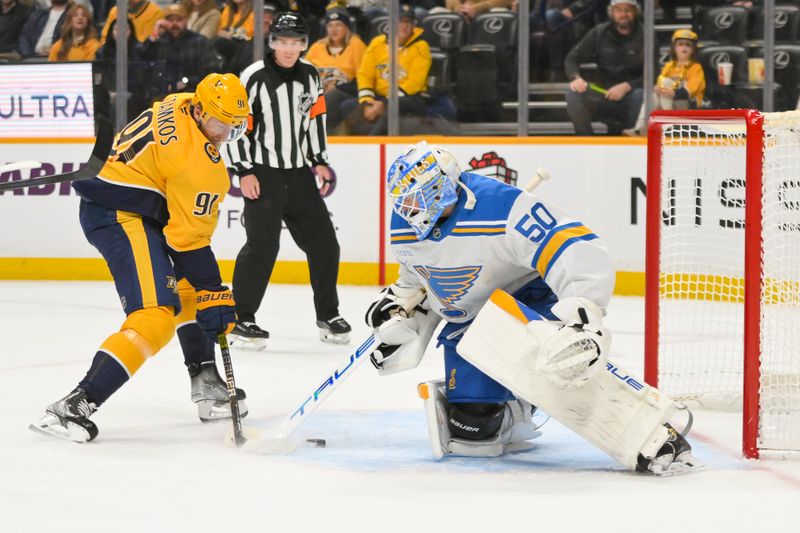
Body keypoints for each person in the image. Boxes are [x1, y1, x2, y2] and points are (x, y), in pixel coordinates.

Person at [364, 141, 699, 474]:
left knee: (564, 361)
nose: (408, 207)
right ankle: (518, 398)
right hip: (472, 324)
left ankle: (650, 435)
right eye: (402, 198)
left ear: (443, 187)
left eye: (416, 196)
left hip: (529, 300)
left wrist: (584, 313)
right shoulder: (404, 221)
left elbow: (572, 245)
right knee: (474, 432)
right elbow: (417, 275)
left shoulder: (501, 206)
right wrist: (403, 307)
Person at [29, 73, 251, 443]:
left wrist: (205, 289)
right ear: (199, 111)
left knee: (188, 288)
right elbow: (189, 241)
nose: (224, 134)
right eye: (217, 124)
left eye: (233, 125)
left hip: (126, 199)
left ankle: (205, 380)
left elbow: (183, 236)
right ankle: (75, 405)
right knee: (155, 313)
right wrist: (214, 289)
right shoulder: (198, 165)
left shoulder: (180, 101)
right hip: (119, 214)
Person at [223, 11, 351, 349]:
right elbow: (236, 126)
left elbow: (314, 119)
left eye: (297, 42)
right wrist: (243, 170)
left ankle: (328, 314)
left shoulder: (311, 75)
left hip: (298, 174)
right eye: (283, 41)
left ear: (304, 44)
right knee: (262, 247)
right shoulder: (252, 77)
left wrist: (319, 160)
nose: (290, 48)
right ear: (272, 43)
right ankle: (241, 319)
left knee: (325, 244)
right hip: (262, 172)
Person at [340, 5, 431, 135]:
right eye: (401, 21)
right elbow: (365, 74)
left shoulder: (421, 46)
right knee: (347, 106)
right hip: (379, 97)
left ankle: (373, 146)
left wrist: (384, 103)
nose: (405, 26)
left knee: (391, 109)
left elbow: (415, 83)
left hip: (409, 98)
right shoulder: (377, 43)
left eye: (408, 22)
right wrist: (367, 101)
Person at [564, 0, 644, 135]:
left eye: (628, 10)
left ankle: (631, 138)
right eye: (618, 10)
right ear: (611, 12)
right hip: (602, 92)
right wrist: (576, 78)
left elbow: (655, 73)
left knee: (641, 95)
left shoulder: (646, 35)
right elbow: (572, 58)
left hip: (632, 95)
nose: (623, 14)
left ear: (636, 12)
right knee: (573, 93)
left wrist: (627, 86)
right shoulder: (599, 32)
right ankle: (586, 142)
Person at [624, 28, 705, 136]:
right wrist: (657, 88)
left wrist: (674, 93)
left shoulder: (696, 67)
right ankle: (641, 129)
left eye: (688, 45)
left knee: (667, 83)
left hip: (688, 104)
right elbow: (660, 81)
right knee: (651, 95)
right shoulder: (669, 66)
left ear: (694, 49)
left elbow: (693, 88)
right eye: (680, 44)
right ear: (674, 47)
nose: (684, 47)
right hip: (667, 103)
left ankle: (669, 122)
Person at [305, 6, 366, 131]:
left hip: (346, 93)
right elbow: (303, 74)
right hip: (318, 93)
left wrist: (337, 87)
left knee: (333, 96)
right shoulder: (317, 47)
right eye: (330, 25)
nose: (334, 29)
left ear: (347, 27)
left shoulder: (357, 46)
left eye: (338, 25)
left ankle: (323, 134)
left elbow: (364, 79)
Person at [142, 4, 220, 93]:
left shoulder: (200, 41)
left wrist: (186, 81)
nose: (174, 24)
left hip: (191, 91)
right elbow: (142, 61)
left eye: (179, 20)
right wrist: (154, 34)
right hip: (161, 92)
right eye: (170, 20)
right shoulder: (159, 41)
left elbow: (212, 72)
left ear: (186, 20)